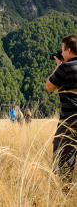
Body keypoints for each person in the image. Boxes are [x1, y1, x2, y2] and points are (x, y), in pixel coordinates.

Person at [46, 35, 77, 184]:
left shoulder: (65, 68)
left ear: (69, 50)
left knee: (62, 166)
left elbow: (49, 85)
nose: (61, 53)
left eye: (63, 50)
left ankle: (64, 196)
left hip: (69, 124)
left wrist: (58, 65)